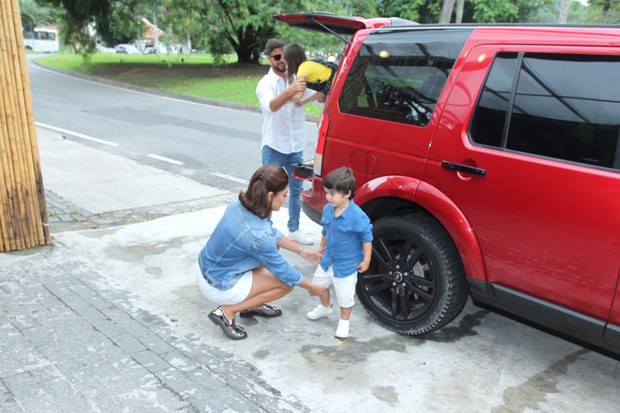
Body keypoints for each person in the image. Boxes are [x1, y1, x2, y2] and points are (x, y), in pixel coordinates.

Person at [197, 165, 325, 340]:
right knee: (285, 285)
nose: (285, 199)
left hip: (208, 268)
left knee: (275, 250)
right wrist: (312, 287)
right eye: (284, 195)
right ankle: (227, 311)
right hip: (217, 283)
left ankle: (248, 306)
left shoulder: (240, 205)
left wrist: (302, 251)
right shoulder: (257, 235)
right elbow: (284, 272)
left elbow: (270, 232)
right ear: (270, 195)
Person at [256, 38, 315, 245]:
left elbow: (319, 95)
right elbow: (271, 105)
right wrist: (291, 91)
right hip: (274, 145)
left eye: (285, 56)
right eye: (277, 56)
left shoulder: (298, 77)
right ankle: (265, 230)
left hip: (296, 145)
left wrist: (306, 95)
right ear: (269, 58)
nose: (282, 60)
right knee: (268, 191)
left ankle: (294, 229)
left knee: (296, 189)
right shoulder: (265, 83)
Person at [305, 167, 373, 339]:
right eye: (327, 193)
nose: (328, 197)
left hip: (347, 265)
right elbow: (326, 230)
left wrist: (367, 260)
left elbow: (367, 238)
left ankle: (344, 321)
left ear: (347, 193)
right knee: (318, 287)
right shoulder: (328, 209)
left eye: (332, 194)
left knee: (345, 297)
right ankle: (325, 308)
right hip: (328, 260)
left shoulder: (358, 216)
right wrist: (321, 247)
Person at [283, 42, 338, 107]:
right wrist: (303, 102)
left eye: (286, 62)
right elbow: (322, 92)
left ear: (292, 60)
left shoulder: (302, 70)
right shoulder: (309, 64)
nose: (285, 65)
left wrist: (281, 100)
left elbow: (298, 96)